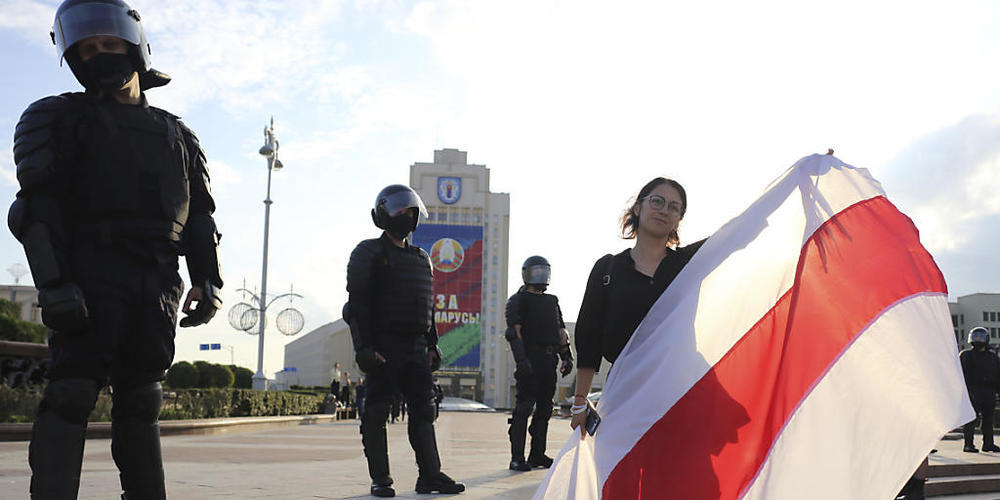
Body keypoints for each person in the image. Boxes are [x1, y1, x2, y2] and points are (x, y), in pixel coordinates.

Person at [8, 1, 223, 497]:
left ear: (134, 46)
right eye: (88, 49)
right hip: (89, 275)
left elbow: (201, 217)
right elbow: (35, 210)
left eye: (109, 44)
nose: (100, 55)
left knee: (142, 402)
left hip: (157, 281)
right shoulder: (56, 118)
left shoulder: (179, 135)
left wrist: (207, 279)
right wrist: (56, 283)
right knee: (70, 394)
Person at [345, 184, 465, 497]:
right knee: (376, 412)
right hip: (383, 346)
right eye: (401, 210)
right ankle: (381, 479)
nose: (407, 215)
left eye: (411, 210)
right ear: (383, 215)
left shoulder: (422, 258)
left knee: (424, 411)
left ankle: (430, 475)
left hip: (416, 348)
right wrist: (364, 349)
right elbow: (356, 307)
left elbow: (428, 306)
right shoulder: (367, 252)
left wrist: (432, 344)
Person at [571, 177, 703, 438]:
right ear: (638, 207)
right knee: (622, 473)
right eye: (657, 201)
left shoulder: (689, 264)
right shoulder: (607, 269)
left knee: (675, 474)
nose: (664, 210)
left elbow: (739, 234)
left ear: (679, 219)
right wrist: (579, 402)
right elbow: (589, 337)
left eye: (674, 207)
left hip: (677, 392)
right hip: (624, 393)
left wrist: (800, 177)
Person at [504, 256, 573, 471]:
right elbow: (514, 333)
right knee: (524, 407)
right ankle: (517, 458)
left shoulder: (552, 300)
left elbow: (561, 330)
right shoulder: (518, 300)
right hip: (530, 357)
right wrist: (521, 360)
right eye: (537, 271)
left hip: (549, 359)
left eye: (544, 271)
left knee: (544, 408)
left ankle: (537, 454)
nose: (541, 275)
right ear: (527, 273)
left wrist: (566, 356)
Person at [960, 326, 1000, 453]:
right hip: (973, 390)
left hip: (989, 391)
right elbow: (961, 374)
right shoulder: (966, 355)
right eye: (975, 336)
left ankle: (988, 444)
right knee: (972, 418)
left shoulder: (992, 357)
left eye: (981, 336)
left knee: (988, 419)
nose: (978, 339)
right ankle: (968, 444)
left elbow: (998, 374)